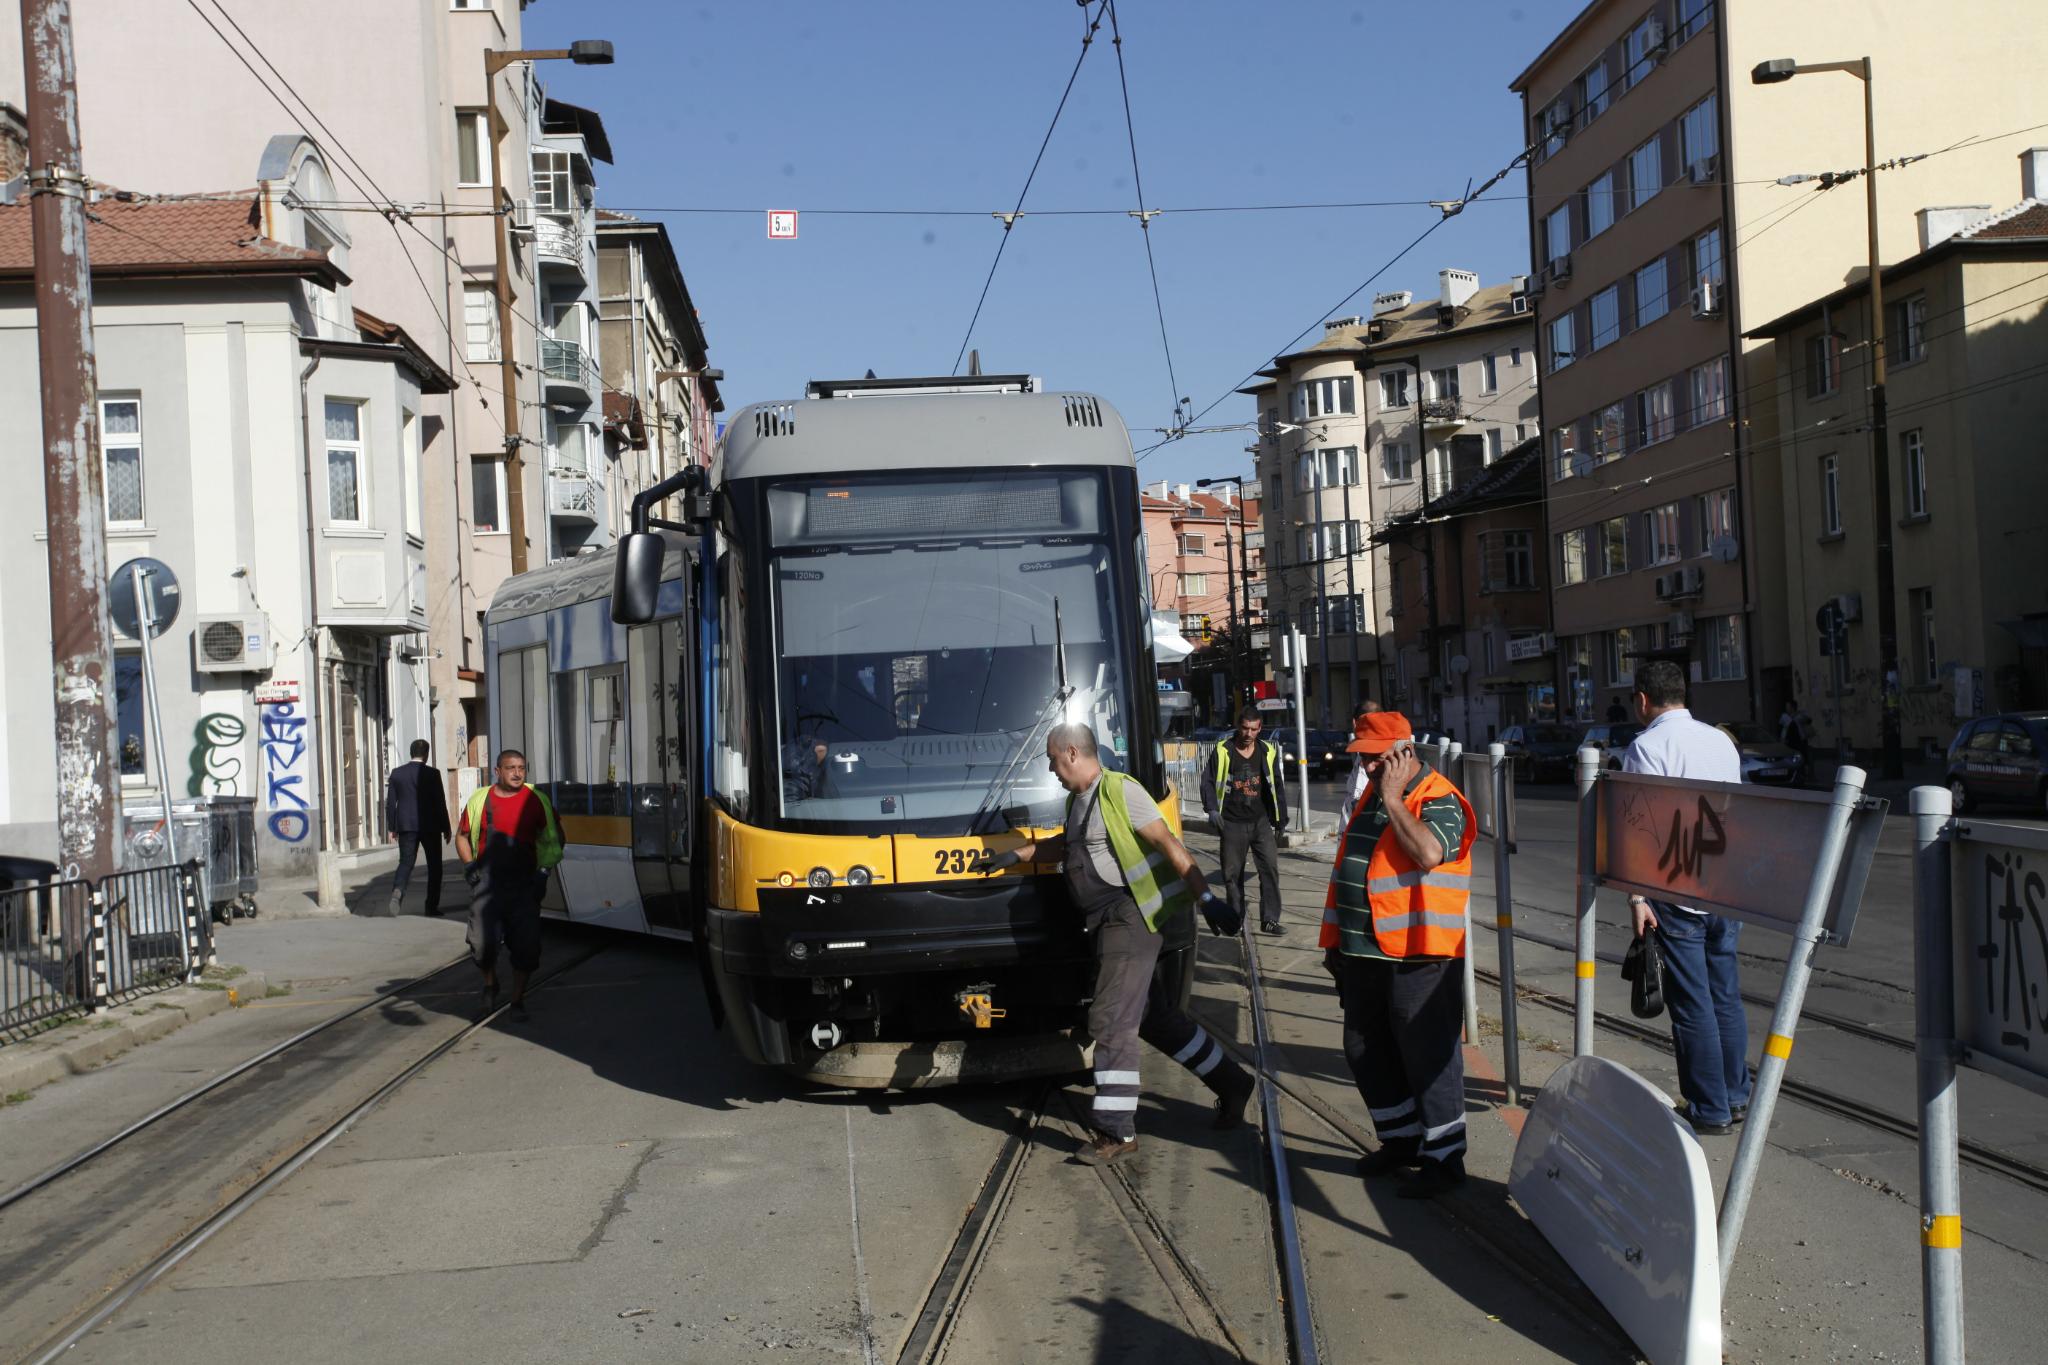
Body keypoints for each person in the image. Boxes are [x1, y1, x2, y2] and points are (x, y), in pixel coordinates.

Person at [989, 721, 1255, 1166]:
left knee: (1111, 1019)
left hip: (1128, 918)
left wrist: (1207, 899)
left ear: (1072, 753)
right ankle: (1232, 1082)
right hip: (1104, 922)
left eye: (1054, 761)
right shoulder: (1081, 800)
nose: (1053, 771)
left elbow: (1168, 843)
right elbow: (1068, 847)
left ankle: (1116, 1131)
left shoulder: (1120, 791)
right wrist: (1017, 855)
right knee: (1156, 1019)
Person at [1321, 710, 1477, 1198]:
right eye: (1363, 758)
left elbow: (1429, 853)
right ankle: (1402, 1140)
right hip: (1365, 949)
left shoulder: (1440, 798)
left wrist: (1390, 797)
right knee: (1364, 1048)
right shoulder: (1375, 792)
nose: (1367, 767)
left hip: (1419, 953)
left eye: (1375, 758)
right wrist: (1337, 944)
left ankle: (1445, 1158)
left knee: (1428, 1056)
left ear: (1405, 751)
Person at [1621, 660, 1749, 1136]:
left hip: (1675, 889)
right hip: (1723, 885)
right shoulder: (1721, 741)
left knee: (1692, 1003)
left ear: (1642, 700)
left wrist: (1637, 898)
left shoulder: (1646, 747)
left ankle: (1709, 1108)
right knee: (1726, 998)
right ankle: (1735, 1098)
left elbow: (1640, 830)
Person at [455, 749, 563, 1022]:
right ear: (497, 771)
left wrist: (543, 872)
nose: (517, 773)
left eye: (521, 768)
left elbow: (555, 840)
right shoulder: (480, 800)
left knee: (526, 948)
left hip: (524, 885)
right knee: (481, 944)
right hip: (487, 884)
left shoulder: (537, 801)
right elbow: (462, 837)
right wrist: (469, 866)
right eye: (511, 768)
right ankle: (490, 984)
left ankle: (516, 1001)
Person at [1201, 709, 1289, 934]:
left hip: (1260, 822)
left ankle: (1270, 919)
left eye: (1253, 729)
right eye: (1245, 728)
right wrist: (1211, 809)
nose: (1248, 733)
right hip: (1231, 822)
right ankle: (1234, 919)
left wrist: (1280, 819)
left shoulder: (1267, 751)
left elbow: (1276, 786)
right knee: (1232, 875)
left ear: (1260, 729)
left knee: (1269, 868)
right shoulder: (1223, 751)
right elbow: (1207, 781)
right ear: (1237, 726)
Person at [385, 739, 450, 917]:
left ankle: (398, 891)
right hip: (431, 826)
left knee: (406, 862)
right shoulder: (433, 774)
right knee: (435, 866)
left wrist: (392, 827)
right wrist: (446, 827)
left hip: (406, 825)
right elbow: (440, 802)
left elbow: (390, 804)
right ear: (427, 754)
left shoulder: (397, 774)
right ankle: (431, 906)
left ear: (411, 752)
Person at [1779, 698, 1812, 784]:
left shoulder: (1800, 716)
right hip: (1789, 742)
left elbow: (1808, 720)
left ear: (1792, 707)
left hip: (1799, 741)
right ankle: (1793, 774)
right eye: (1786, 706)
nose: (1787, 708)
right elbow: (1782, 725)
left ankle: (1804, 775)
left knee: (1802, 757)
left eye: (1788, 706)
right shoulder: (1785, 717)